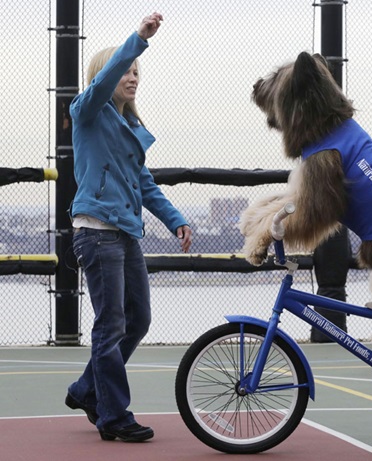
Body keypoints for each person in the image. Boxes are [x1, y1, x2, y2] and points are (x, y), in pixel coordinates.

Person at [64, 13, 192, 442]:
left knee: (137, 319)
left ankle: (86, 389)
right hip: (96, 231)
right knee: (111, 323)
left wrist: (177, 221)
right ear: (108, 72)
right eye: (127, 70)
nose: (134, 76)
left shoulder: (131, 128)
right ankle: (113, 415)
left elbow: (145, 185)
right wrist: (138, 39)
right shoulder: (86, 112)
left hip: (125, 233)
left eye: (138, 72)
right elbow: (104, 82)